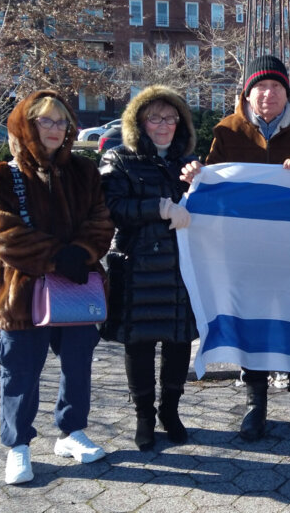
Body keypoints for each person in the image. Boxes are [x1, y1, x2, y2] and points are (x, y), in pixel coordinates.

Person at [181, 55, 290, 441]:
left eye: (276, 87)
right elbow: (210, 187)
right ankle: (255, 402)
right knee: (251, 321)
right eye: (261, 88)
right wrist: (197, 175)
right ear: (248, 93)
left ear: (287, 93)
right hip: (244, 251)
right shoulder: (227, 132)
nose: (268, 94)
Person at [0, 91, 114, 485]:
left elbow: (101, 221)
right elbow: (3, 233)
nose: (55, 129)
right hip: (20, 294)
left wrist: (83, 251)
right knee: (20, 370)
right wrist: (58, 257)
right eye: (45, 121)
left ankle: (72, 432)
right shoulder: (2, 176)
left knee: (77, 365)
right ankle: (18, 445)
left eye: (61, 122)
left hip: (75, 289)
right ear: (27, 124)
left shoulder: (84, 172)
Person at [99, 85, 197, 451]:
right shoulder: (119, 158)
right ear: (139, 122)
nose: (163, 125)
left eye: (170, 118)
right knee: (138, 344)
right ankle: (143, 415)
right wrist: (158, 208)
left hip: (179, 269)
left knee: (178, 342)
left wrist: (198, 182)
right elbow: (112, 206)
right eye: (154, 117)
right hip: (138, 268)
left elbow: (203, 209)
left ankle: (169, 411)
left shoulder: (187, 162)